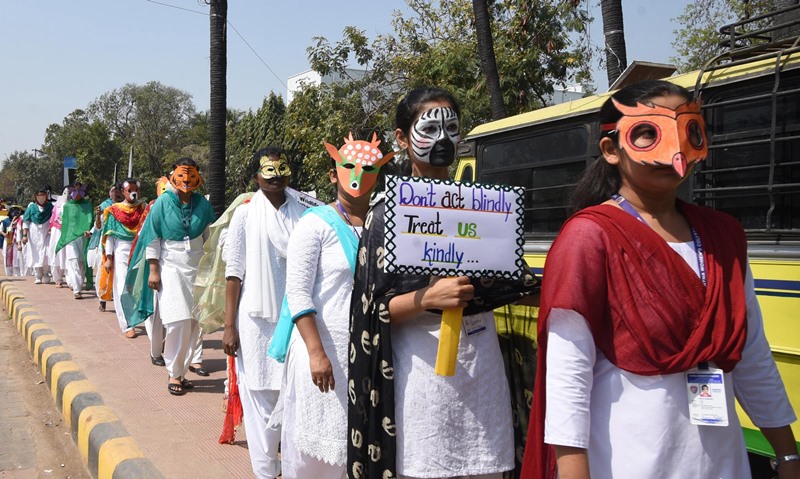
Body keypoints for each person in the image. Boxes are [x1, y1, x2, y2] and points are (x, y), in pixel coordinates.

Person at [520, 80, 799, 479]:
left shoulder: (723, 235)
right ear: (611, 149)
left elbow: (752, 354)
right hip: (628, 462)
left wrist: (787, 456)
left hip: (722, 463)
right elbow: (568, 375)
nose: (674, 149)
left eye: (690, 131)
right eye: (648, 133)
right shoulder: (590, 236)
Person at [347, 88, 539, 479]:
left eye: (451, 128)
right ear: (402, 138)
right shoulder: (387, 214)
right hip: (422, 380)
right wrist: (426, 297)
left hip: (481, 372)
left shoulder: (485, 207)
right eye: (430, 129)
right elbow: (370, 310)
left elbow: (516, 283)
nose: (443, 139)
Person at [280, 134, 392, 479]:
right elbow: (298, 293)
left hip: (368, 353)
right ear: (333, 175)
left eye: (369, 169)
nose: (358, 175)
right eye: (349, 167)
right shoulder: (314, 224)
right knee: (318, 456)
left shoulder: (384, 225)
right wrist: (316, 353)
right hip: (323, 351)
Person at [222, 147, 307, 478]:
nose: (276, 177)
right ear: (256, 176)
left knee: (294, 395)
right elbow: (234, 273)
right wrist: (229, 326)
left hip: (298, 319)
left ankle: (284, 466)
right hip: (255, 324)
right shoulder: (245, 215)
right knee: (259, 401)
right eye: (268, 171)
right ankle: (265, 472)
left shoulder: (305, 213)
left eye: (281, 170)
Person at [126, 158, 215, 396]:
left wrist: (212, 268)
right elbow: (152, 238)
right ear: (173, 175)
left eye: (191, 175)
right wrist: (154, 269)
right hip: (170, 266)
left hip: (197, 267)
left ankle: (181, 372)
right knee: (177, 320)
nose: (186, 180)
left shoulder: (202, 204)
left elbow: (210, 237)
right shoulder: (162, 203)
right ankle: (173, 372)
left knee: (194, 323)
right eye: (181, 175)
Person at [100, 178, 147, 338]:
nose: (134, 193)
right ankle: (127, 324)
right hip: (121, 252)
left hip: (139, 250)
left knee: (138, 287)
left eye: (136, 190)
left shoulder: (144, 209)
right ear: (123, 192)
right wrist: (109, 257)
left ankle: (140, 317)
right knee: (121, 287)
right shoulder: (114, 210)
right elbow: (110, 236)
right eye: (129, 190)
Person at [56, 183, 94, 299]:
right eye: (74, 191)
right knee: (74, 261)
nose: (77, 194)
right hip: (71, 238)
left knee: (82, 263)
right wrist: (65, 237)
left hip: (84, 237)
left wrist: (89, 230)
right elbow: (65, 223)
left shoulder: (88, 205)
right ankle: (77, 290)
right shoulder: (67, 206)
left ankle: (77, 284)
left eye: (79, 190)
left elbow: (90, 219)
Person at [90, 184, 123, 312]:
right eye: (113, 191)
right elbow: (98, 227)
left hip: (122, 245)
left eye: (118, 191)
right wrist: (98, 216)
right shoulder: (105, 207)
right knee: (103, 271)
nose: (116, 193)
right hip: (106, 244)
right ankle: (102, 300)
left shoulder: (128, 207)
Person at [22, 186, 54, 283]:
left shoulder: (50, 207)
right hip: (34, 234)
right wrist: (24, 235)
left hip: (47, 232)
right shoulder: (31, 208)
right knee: (36, 254)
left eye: (43, 196)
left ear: (46, 196)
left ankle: (46, 273)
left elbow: (55, 218)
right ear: (36, 197)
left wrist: (52, 229)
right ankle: (38, 276)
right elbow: (26, 221)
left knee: (46, 254)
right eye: (39, 197)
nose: (41, 199)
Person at [47, 188, 69, 288]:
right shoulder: (57, 205)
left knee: (67, 255)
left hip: (68, 232)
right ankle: (57, 279)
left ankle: (70, 280)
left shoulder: (73, 205)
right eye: (65, 193)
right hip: (56, 232)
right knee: (56, 254)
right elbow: (52, 219)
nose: (67, 195)